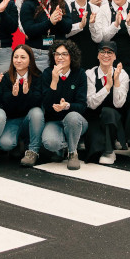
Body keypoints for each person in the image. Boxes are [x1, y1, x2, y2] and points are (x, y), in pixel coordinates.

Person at [41, 40, 88, 169]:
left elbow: (82, 106)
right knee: (49, 143)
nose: (60, 57)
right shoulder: (47, 73)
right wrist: (54, 81)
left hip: (75, 120)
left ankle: (72, 152)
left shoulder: (80, 74)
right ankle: (64, 145)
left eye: (64, 54)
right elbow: (46, 105)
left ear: (71, 56)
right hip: (54, 120)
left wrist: (67, 105)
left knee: (72, 117)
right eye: (57, 54)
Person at [0, 44, 45, 166]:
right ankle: (18, 141)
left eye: (23, 57)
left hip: (30, 119)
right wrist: (14, 96)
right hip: (13, 120)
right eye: (16, 57)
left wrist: (26, 94)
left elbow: (38, 102)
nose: (18, 60)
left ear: (30, 60)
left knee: (37, 112)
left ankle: (33, 150)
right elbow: (5, 106)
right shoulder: (6, 77)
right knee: (5, 144)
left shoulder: (37, 76)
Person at [20, 0, 74, 72]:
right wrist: (50, 22)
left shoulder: (61, 3)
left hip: (59, 56)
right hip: (37, 55)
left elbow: (68, 28)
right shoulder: (29, 4)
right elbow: (29, 30)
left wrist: (59, 19)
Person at [85, 41, 128, 165]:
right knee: (93, 152)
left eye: (110, 52)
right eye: (102, 52)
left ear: (114, 56)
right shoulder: (90, 74)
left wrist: (116, 81)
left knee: (108, 112)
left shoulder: (122, 74)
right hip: (94, 117)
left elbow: (119, 104)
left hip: (114, 118)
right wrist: (107, 86)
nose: (106, 55)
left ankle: (109, 151)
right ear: (98, 55)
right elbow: (91, 104)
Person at [66, 0, 105, 66]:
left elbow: (98, 38)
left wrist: (91, 25)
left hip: (90, 54)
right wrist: (80, 26)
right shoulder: (67, 8)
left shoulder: (96, 9)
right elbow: (64, 33)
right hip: (70, 54)